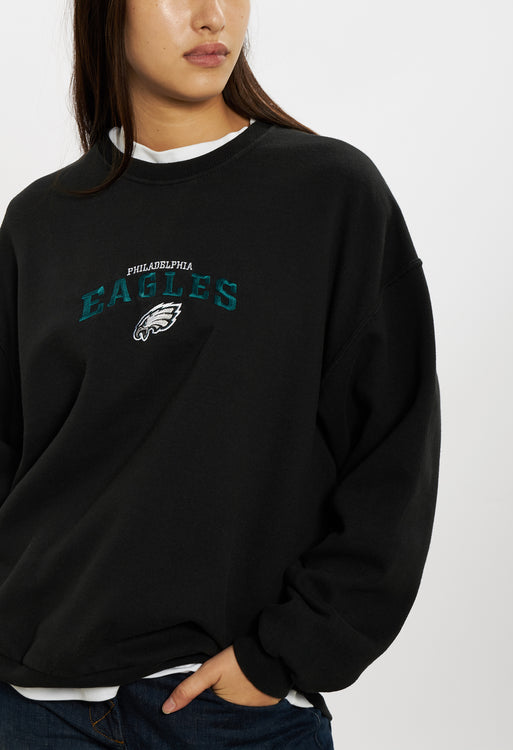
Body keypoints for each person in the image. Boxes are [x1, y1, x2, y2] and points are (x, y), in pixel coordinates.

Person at [0, 0, 442, 747]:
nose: (212, 17)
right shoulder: (39, 221)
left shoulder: (328, 193)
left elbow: (394, 451)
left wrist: (286, 655)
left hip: (231, 712)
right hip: (34, 708)